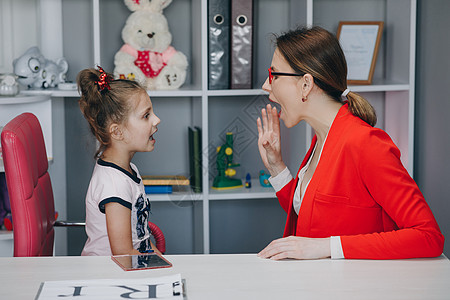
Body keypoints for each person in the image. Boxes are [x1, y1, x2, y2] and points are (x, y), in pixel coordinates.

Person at [256, 26, 444, 260]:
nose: (266, 85)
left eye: (274, 74)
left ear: (305, 84)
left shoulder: (366, 143)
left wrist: (326, 247)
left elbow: (428, 236)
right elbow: (313, 216)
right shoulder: (322, 137)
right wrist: (276, 167)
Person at [77, 66, 161, 256]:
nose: (156, 120)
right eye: (146, 115)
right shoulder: (114, 184)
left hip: (126, 269)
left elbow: (142, 240)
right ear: (117, 131)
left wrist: (167, 266)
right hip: (108, 276)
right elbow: (124, 254)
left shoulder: (128, 170)